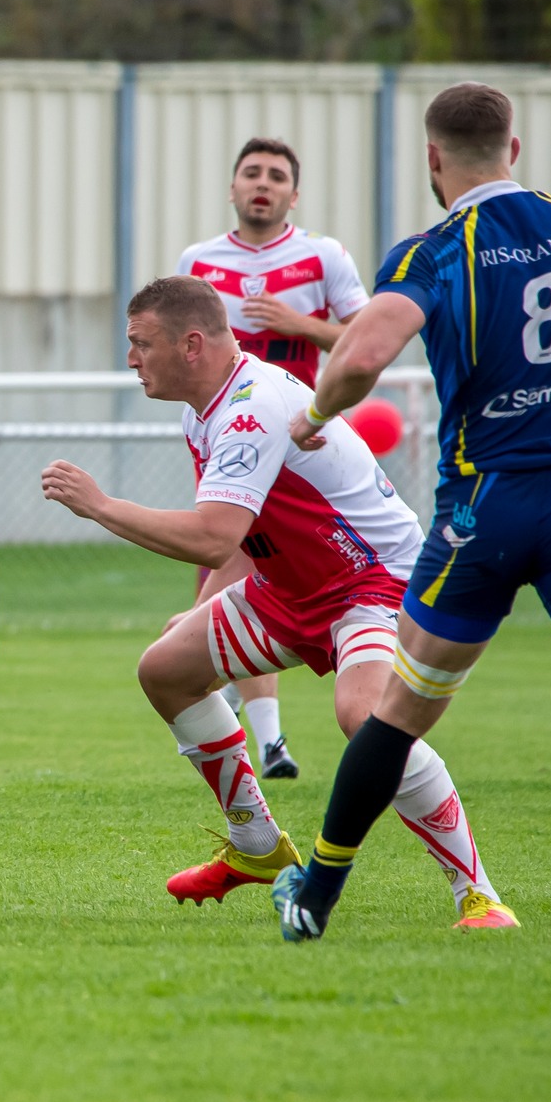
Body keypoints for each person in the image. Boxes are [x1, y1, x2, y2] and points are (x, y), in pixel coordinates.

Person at [41, 275, 511, 929]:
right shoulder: (203, 409)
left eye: (140, 343)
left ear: (193, 344)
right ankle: (257, 847)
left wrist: (101, 506)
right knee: (165, 670)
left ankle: (478, 894)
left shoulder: (250, 408)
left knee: (367, 716)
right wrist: (208, 602)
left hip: (371, 583)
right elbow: (242, 525)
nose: (131, 359)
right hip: (288, 589)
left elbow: (212, 536)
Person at [273, 82, 551, 942]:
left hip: (485, 508)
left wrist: (314, 419)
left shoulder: (435, 249)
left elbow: (363, 353)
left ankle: (317, 893)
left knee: (400, 710)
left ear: (433, 159)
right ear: (517, 147)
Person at [175, 138, 373, 781]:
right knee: (230, 577)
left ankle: (249, 721)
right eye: (251, 173)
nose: (263, 183)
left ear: (295, 194)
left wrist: (302, 323)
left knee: (235, 588)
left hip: (302, 451)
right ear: (232, 188)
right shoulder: (199, 261)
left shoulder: (321, 256)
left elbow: (371, 337)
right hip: (226, 444)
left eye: (277, 176)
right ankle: (268, 741)